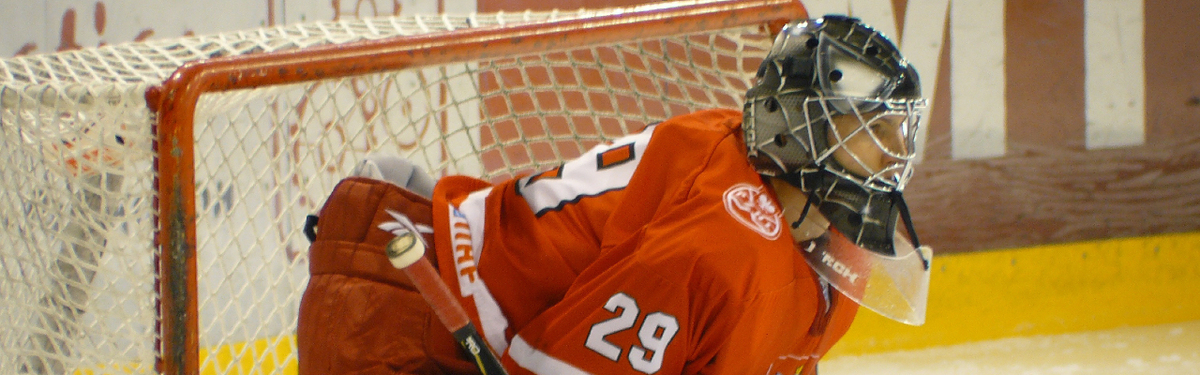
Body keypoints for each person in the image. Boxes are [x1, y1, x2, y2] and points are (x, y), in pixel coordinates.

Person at [298, 15, 932, 375]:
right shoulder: (718, 243)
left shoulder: (819, 239)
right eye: (872, 128)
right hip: (402, 314)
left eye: (896, 129)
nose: (894, 154)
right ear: (802, 127)